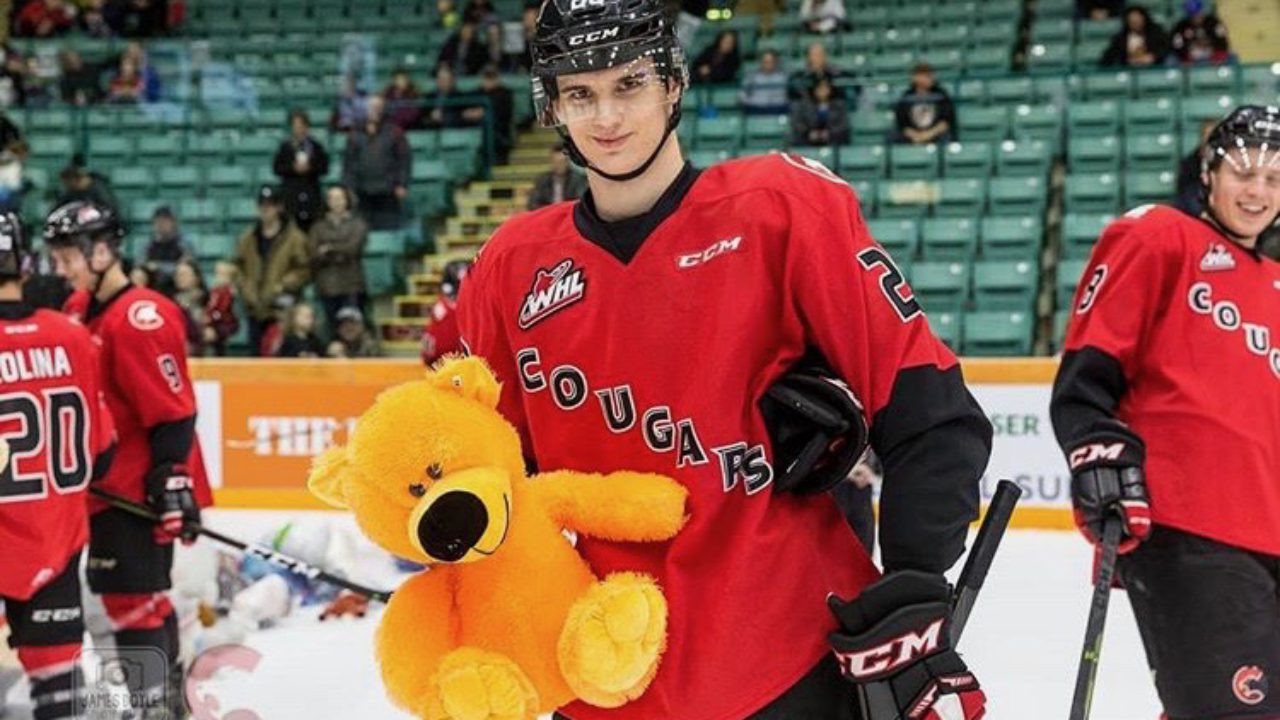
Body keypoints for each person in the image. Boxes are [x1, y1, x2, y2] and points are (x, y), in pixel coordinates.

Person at [457, 2, 994, 719]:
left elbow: (927, 407)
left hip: (789, 657)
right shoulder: (510, 265)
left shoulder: (779, 209)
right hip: (601, 671)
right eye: (580, 93)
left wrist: (913, 578)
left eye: (630, 85)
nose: (607, 116)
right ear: (551, 105)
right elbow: (487, 477)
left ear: (673, 85)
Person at [1050, 105, 1280, 720]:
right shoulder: (1157, 235)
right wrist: (1097, 450)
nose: (1258, 191)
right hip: (1192, 525)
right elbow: (1085, 379)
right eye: (1243, 172)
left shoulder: (1277, 284)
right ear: (1209, 173)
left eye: (1274, 179)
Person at [45, 200, 212, 719]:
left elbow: (174, 412)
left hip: (136, 489)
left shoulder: (141, 317)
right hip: (102, 489)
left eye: (68, 256)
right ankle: (160, 704)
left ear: (102, 251)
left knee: (132, 600)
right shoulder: (78, 309)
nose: (60, 268)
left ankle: (157, 706)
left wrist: (170, 481)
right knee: (130, 599)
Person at [0, 212, 115, 720]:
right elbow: (102, 450)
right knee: (59, 695)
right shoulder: (71, 336)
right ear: (22, 263)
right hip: (56, 541)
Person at [233, 185, 312, 355]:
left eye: (270, 205)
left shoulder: (295, 238)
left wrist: (284, 284)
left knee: (280, 355)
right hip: (254, 307)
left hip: (282, 310)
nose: (265, 209)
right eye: (262, 205)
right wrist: (245, 287)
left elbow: (304, 269)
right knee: (255, 355)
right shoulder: (248, 238)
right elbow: (238, 267)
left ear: (279, 208)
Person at [342, 95, 411, 230]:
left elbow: (404, 160)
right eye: (371, 107)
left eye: (378, 107)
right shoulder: (354, 134)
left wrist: (402, 184)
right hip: (362, 192)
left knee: (388, 231)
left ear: (384, 109)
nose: (375, 110)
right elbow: (348, 163)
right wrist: (348, 188)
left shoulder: (395, 132)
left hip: (388, 192)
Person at [308, 184, 368, 331]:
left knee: (353, 329)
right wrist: (340, 249)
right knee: (331, 330)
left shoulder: (358, 224)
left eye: (339, 198)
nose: (336, 202)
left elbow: (353, 248)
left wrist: (329, 248)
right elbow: (313, 253)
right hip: (327, 287)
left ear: (346, 200)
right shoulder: (318, 227)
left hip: (352, 286)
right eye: (332, 198)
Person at [272, 109, 331, 231]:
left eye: (301, 125)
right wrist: (292, 168)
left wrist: (310, 168)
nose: (299, 129)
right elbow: (277, 168)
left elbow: (324, 168)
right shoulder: (285, 147)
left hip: (311, 197)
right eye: (295, 126)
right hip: (291, 199)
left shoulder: (315, 146)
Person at [420, 258, 470, 365]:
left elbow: (429, 355)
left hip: (442, 364)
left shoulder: (441, 307)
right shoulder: (443, 309)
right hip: (456, 364)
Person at [893, 62, 956, 145]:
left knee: (947, 137)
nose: (929, 79)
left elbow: (946, 122)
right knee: (893, 137)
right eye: (925, 76)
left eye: (929, 76)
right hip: (913, 135)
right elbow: (902, 124)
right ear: (915, 78)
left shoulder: (941, 95)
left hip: (935, 134)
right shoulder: (907, 96)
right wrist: (915, 135)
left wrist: (928, 135)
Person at [462, 66, 514, 165]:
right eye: (486, 78)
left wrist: (485, 113)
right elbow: (464, 105)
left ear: (497, 79)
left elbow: (505, 114)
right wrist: (470, 113)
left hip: (499, 131)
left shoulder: (505, 93)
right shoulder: (476, 93)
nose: (488, 81)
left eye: (491, 78)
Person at [1101, 6, 1171, 67]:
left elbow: (1166, 48)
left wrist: (1153, 57)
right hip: (1129, 70)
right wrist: (1127, 60)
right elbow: (1108, 58)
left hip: (1154, 69)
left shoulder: (1156, 33)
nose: (1136, 24)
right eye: (1133, 22)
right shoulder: (1120, 38)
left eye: (1138, 20)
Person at [1174, 118, 1217, 217]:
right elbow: (1183, 190)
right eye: (1206, 134)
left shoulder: (1228, 161)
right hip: (1196, 201)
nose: (1209, 138)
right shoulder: (1189, 162)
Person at [142, 205, 192, 289]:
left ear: (173, 223)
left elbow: (185, 268)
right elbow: (141, 265)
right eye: (158, 221)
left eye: (165, 221)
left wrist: (158, 267)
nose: (161, 225)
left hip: (177, 288)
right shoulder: (148, 245)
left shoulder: (184, 244)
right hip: (152, 286)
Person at [790, 77, 850, 147]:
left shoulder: (839, 105)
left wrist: (829, 132)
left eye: (825, 88)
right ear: (814, 90)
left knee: (841, 136)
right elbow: (797, 122)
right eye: (820, 88)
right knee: (798, 137)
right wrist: (808, 132)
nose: (823, 91)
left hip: (832, 137)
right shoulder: (804, 105)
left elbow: (843, 124)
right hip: (808, 137)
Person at [527, 141, 587, 209]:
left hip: (569, 214)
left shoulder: (578, 179)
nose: (560, 166)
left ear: (568, 162)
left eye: (562, 162)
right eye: (556, 162)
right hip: (549, 214)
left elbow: (580, 203)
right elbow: (533, 203)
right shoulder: (542, 180)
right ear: (551, 162)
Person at [1170, 0, 1230, 65]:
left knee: (1231, 59)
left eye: (1198, 13)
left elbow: (1222, 41)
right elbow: (1177, 45)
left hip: (1212, 54)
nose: (1196, 17)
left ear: (1202, 11)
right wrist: (1185, 58)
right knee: (1172, 60)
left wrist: (1218, 57)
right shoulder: (1181, 26)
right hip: (1191, 57)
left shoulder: (1213, 22)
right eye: (1192, 14)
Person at [202, 260, 239, 356]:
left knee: (218, 346)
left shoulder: (227, 292)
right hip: (214, 321)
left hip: (223, 323)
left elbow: (222, 310)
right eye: (217, 273)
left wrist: (211, 318)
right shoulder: (215, 290)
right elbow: (211, 306)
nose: (218, 277)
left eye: (222, 274)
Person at [740, 50, 790, 116]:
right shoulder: (751, 77)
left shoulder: (783, 77)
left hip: (778, 109)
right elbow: (742, 94)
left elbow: (789, 97)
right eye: (765, 61)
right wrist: (750, 102)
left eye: (771, 61)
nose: (768, 64)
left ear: (776, 62)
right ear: (760, 62)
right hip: (755, 109)